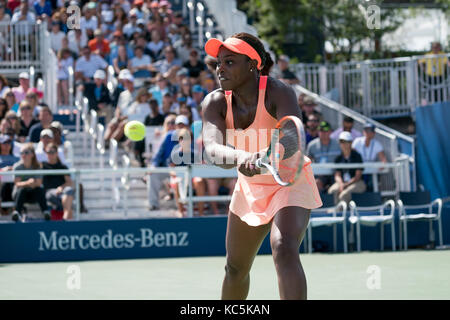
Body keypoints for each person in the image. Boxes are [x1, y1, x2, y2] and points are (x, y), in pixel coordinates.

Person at [202, 33, 322, 300]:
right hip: (250, 189)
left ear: (252, 65)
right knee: (234, 268)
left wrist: (267, 154)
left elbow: (291, 138)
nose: (221, 67)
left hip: (290, 182)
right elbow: (212, 149)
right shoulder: (215, 102)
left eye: (230, 61)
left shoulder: (279, 91)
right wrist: (241, 158)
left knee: (283, 247)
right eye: (218, 62)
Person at [147, 114, 189, 210]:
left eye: (182, 125)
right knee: (153, 175)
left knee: (181, 179)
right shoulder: (169, 136)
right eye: (178, 125)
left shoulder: (191, 137)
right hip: (168, 168)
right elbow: (158, 154)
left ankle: (183, 208)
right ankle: (154, 204)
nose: (180, 127)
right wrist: (153, 166)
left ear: (187, 126)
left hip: (184, 170)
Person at [11, 143, 50, 222]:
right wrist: (28, 183)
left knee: (39, 190)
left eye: (26, 152)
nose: (23, 155)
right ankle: (17, 213)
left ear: (32, 154)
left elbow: (39, 183)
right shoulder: (17, 167)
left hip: (33, 193)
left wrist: (31, 184)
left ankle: (46, 212)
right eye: (22, 153)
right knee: (22, 190)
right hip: (20, 194)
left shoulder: (37, 166)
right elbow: (17, 184)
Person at [327, 131, 366, 203]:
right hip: (344, 182)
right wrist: (341, 184)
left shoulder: (357, 156)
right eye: (341, 141)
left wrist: (346, 185)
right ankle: (335, 212)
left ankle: (341, 213)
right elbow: (337, 175)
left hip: (357, 183)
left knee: (344, 195)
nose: (343, 144)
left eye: (346, 141)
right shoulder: (338, 158)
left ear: (351, 143)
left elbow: (358, 176)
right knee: (333, 191)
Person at [42, 142, 74, 220]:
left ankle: (65, 218)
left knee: (68, 191)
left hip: (63, 192)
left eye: (52, 152)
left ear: (57, 153)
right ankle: (67, 219)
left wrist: (61, 188)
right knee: (68, 200)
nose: (50, 154)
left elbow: (69, 182)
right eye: (48, 152)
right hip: (49, 192)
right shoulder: (42, 166)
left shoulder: (63, 167)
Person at [306, 121, 341, 193]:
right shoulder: (312, 145)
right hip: (320, 175)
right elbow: (307, 162)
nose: (323, 133)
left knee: (338, 186)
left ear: (330, 131)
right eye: (321, 130)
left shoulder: (338, 144)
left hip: (335, 174)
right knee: (316, 184)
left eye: (326, 130)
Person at [351, 122, 387, 191]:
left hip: (370, 171)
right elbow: (351, 155)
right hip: (358, 170)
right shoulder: (357, 141)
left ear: (374, 133)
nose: (367, 132)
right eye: (365, 130)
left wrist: (383, 164)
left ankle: (372, 198)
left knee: (372, 184)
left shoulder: (377, 144)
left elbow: (383, 159)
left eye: (369, 130)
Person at [0, 134, 19, 214]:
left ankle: (16, 212)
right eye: (5, 143)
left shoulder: (17, 158)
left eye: (9, 143)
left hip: (13, 182)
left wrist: (12, 169)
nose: (7, 145)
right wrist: (3, 170)